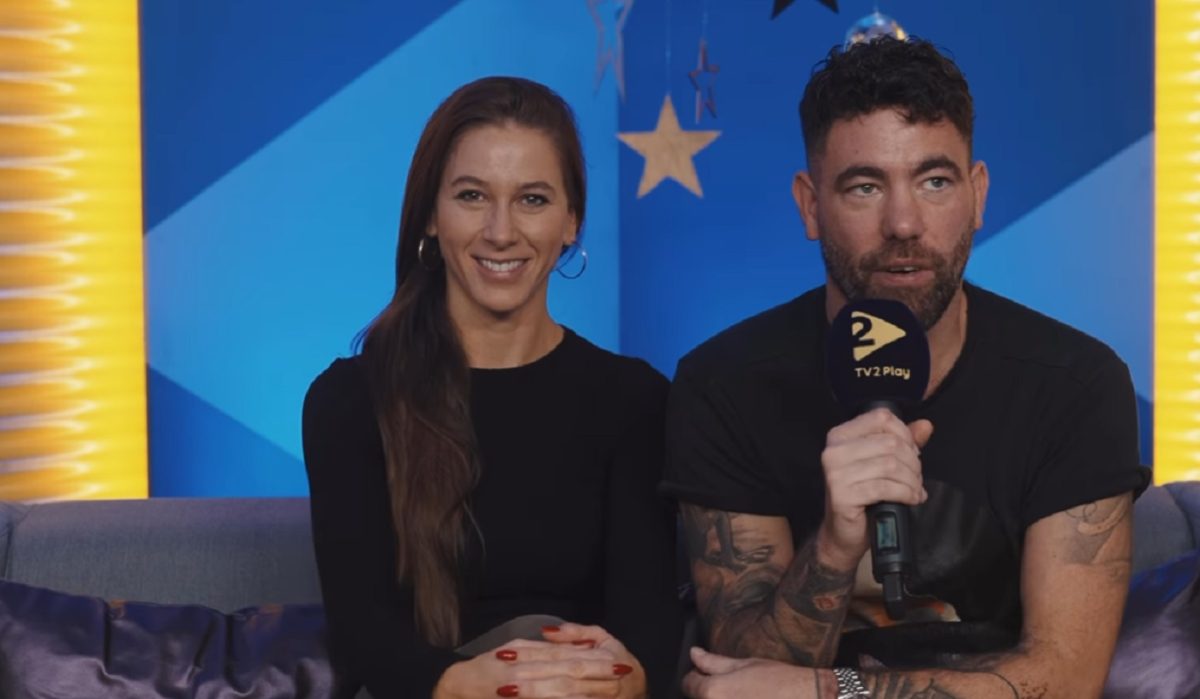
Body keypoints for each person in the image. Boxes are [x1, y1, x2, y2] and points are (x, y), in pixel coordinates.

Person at [661, 38, 1149, 699]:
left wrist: (835, 691)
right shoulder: (725, 385)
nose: (903, 223)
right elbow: (741, 676)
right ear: (810, 206)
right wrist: (834, 546)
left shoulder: (1075, 384)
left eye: (934, 181)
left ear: (978, 194)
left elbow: (1065, 680)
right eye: (865, 186)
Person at [302, 76, 681, 699]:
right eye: (472, 196)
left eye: (532, 199)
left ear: (571, 221)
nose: (501, 231)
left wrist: (614, 681)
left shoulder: (634, 399)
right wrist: (468, 685)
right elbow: (364, 630)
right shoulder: (350, 401)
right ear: (431, 214)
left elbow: (649, 628)